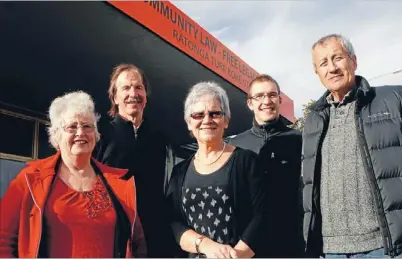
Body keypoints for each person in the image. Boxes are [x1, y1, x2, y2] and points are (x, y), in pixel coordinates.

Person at [302, 33, 402, 258]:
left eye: (337, 58)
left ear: (354, 61)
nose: (332, 68)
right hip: (330, 251)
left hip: (386, 248)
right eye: (323, 63)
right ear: (317, 72)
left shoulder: (395, 100)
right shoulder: (313, 120)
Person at [0, 91, 146, 258]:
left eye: (87, 126)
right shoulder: (29, 179)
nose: (80, 133)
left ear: (96, 134)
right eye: (72, 127)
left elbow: (137, 244)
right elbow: (2, 240)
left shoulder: (119, 184)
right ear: (56, 134)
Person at [166, 81, 266, 258]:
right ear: (189, 122)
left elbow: (262, 216)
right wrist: (203, 245)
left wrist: (235, 255)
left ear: (226, 120)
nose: (207, 120)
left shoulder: (246, 161)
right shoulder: (179, 172)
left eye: (215, 114)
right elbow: (174, 222)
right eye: (198, 115)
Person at [94, 63, 175, 257]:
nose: (133, 93)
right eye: (126, 88)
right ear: (115, 97)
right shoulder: (100, 134)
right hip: (112, 236)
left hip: (154, 236)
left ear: (146, 96)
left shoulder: (159, 138)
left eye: (139, 87)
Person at [228, 74, 304, 258]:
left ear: (279, 99)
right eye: (259, 96)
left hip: (292, 243)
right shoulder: (234, 145)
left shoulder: (300, 140)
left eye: (271, 95)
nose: (266, 101)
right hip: (248, 246)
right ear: (250, 103)